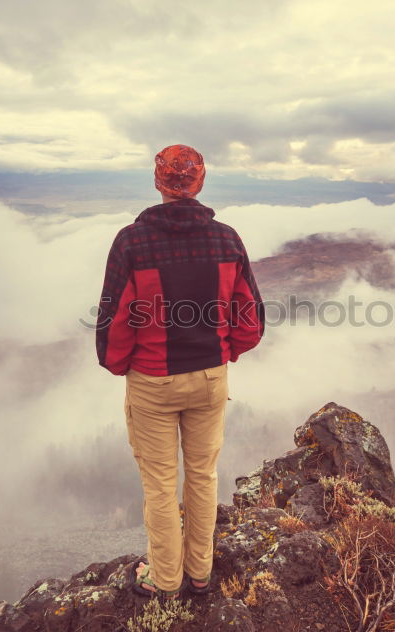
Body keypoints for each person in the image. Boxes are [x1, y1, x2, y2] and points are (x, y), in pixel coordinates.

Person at [95, 144, 265, 599]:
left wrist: (119, 365)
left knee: (160, 485)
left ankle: (165, 580)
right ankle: (201, 574)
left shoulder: (132, 241)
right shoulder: (226, 239)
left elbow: (115, 319)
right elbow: (250, 318)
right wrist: (227, 350)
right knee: (204, 477)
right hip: (210, 378)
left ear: (158, 182)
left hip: (153, 381)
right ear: (200, 182)